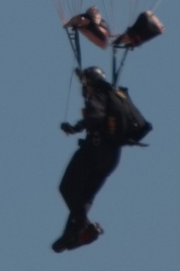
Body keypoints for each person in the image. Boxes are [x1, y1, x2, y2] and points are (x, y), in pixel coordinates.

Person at [52, 67, 143, 253]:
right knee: (85, 197)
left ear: (90, 83)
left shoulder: (99, 95)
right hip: (112, 157)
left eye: (85, 84)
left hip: (94, 149)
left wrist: (76, 128)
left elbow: (96, 115)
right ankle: (71, 235)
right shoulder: (115, 96)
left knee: (67, 188)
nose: (84, 89)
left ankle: (84, 226)